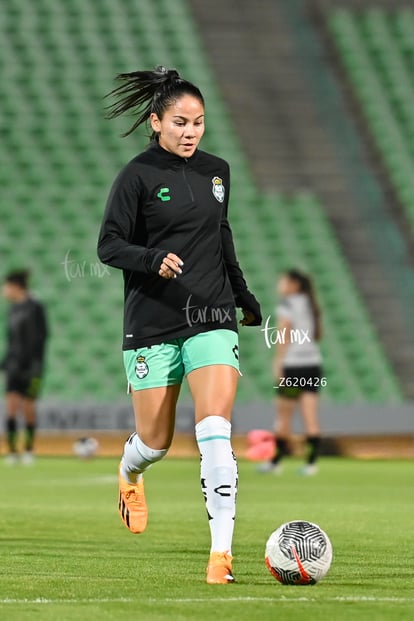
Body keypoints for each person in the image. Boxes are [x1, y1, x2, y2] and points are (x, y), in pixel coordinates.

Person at [97, 66, 262, 584]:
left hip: (211, 315)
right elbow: (108, 245)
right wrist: (151, 259)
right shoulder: (136, 175)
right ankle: (129, 471)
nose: (191, 132)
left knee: (214, 428)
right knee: (157, 441)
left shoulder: (218, 171)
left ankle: (221, 556)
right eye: (181, 122)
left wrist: (242, 294)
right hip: (152, 321)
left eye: (199, 123)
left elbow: (222, 236)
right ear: (156, 122)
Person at [260, 269, 323, 476]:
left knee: (284, 415)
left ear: (294, 284)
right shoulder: (311, 304)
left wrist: (279, 362)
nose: (281, 285)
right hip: (313, 365)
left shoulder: (287, 304)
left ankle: (276, 462)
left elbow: (283, 333)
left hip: (293, 366)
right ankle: (311, 464)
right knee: (310, 418)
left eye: (284, 281)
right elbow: (318, 334)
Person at [1, 269, 48, 464]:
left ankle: (29, 449)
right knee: (11, 406)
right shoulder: (13, 310)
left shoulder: (35, 307)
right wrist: (5, 363)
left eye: (6, 286)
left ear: (16, 286)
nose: (4, 291)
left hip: (32, 368)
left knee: (28, 406)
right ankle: (12, 451)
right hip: (13, 366)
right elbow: (12, 341)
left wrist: (34, 363)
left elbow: (42, 336)